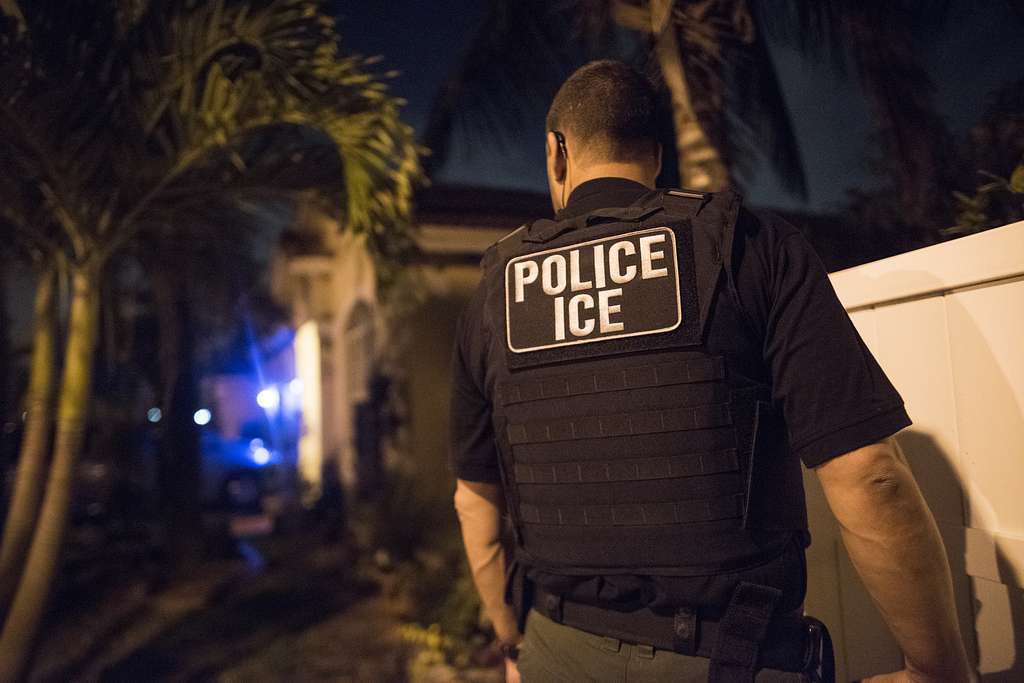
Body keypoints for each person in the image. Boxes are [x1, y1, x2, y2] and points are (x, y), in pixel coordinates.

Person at [450, 60, 971, 683]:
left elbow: (475, 504)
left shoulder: (494, 294)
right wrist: (936, 669)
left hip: (557, 651)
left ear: (556, 153)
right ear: (656, 154)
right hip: (732, 655)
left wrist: (515, 645)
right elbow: (870, 475)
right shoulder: (749, 246)